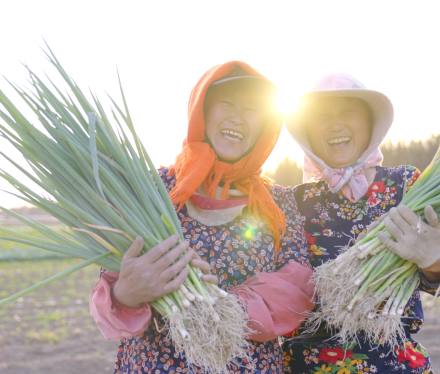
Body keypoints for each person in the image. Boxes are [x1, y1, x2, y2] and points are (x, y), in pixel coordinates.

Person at [89, 62, 315, 373]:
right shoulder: (154, 190)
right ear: (202, 111)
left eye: (252, 109)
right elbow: (111, 279)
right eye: (226, 103)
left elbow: (298, 288)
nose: (237, 116)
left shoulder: (277, 203)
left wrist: (225, 308)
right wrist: (127, 294)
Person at [282, 73, 440, 374]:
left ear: (370, 126)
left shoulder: (407, 186)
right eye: (322, 117)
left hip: (394, 361)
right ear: (307, 135)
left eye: (348, 112)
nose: (336, 124)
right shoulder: (292, 203)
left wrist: (434, 258)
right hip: (309, 364)